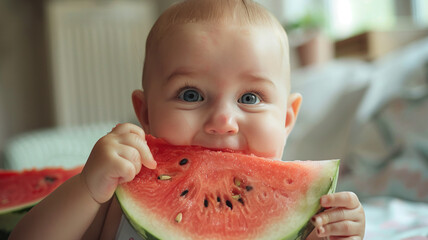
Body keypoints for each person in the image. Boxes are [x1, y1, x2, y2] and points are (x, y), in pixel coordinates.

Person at [10, 0, 365, 239]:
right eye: (191, 95)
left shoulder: (300, 206)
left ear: (287, 118)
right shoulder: (117, 194)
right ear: (145, 113)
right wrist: (87, 187)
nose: (223, 120)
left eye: (250, 98)